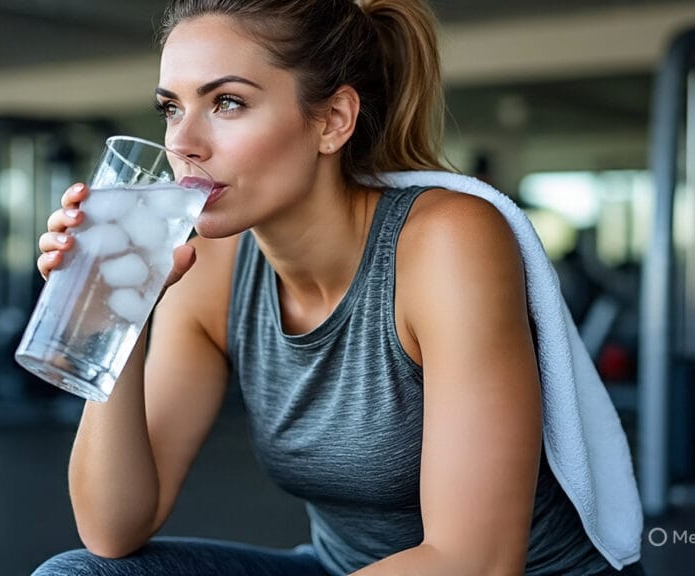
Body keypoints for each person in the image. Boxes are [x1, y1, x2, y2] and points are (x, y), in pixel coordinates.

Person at [32, 0, 646, 574]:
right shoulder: (209, 263)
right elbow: (113, 529)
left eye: (227, 103)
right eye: (172, 107)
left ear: (332, 121)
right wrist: (117, 310)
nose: (183, 145)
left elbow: (474, 561)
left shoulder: (446, 241)